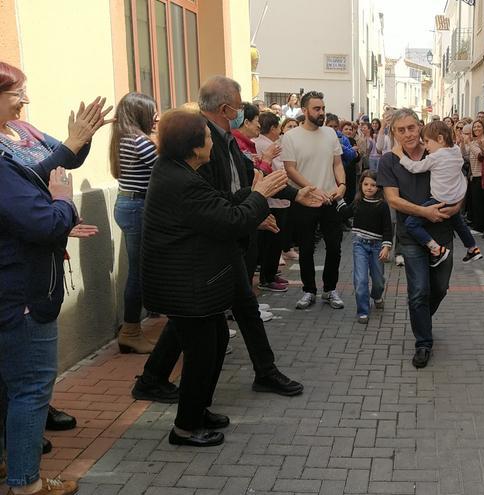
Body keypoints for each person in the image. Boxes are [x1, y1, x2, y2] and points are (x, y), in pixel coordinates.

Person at [133, 77, 307, 404]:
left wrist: (284, 196)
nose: (243, 113)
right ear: (225, 108)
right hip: (201, 259)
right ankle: (190, 411)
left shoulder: (220, 141)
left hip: (210, 253)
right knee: (204, 333)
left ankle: (163, 384)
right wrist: (255, 206)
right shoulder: (195, 146)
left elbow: (240, 189)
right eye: (240, 107)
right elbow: (220, 209)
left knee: (217, 317)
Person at [142, 108, 288, 448]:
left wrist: (255, 195)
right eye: (208, 139)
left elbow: (221, 205)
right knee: (202, 352)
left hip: (190, 281)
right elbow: (232, 220)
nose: (213, 143)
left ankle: (198, 410)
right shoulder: (181, 181)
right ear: (195, 147)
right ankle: (185, 427)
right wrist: (260, 194)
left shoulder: (180, 171)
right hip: (185, 285)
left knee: (216, 339)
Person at [0, 61, 112, 495]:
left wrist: (79, 140)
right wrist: (63, 205)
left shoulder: (20, 133)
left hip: (24, 278)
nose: (26, 100)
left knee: (13, 387)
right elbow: (38, 219)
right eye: (18, 92)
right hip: (20, 286)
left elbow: (60, 157)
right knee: (30, 389)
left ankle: (12, 465)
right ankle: (26, 484)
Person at [377, 108, 460, 369]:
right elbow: (392, 199)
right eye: (401, 130)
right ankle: (423, 342)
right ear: (394, 133)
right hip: (411, 235)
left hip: (443, 232)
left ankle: (421, 317)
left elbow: (459, 184)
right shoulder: (389, 160)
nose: (408, 134)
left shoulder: (437, 150)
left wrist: (456, 207)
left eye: (412, 128)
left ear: (420, 127)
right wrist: (423, 211)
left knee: (440, 288)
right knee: (419, 291)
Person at [282, 91, 348, 310]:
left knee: (334, 247)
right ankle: (309, 290)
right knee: (307, 249)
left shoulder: (330, 133)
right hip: (304, 201)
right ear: (304, 110)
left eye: (322, 108)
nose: (321, 112)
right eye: (316, 108)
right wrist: (311, 189)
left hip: (330, 200)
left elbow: (337, 163)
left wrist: (342, 185)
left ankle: (330, 290)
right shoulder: (291, 137)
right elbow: (290, 169)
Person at [393, 120, 482, 266]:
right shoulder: (455, 152)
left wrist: (400, 156)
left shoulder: (435, 157)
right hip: (454, 199)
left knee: (411, 224)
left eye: (427, 142)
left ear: (440, 139)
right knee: (458, 223)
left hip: (440, 200)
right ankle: (473, 248)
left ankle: (436, 249)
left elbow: (415, 167)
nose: (425, 146)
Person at [109, 92, 159, 354]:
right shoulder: (140, 141)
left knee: (140, 270)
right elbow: (164, 169)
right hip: (137, 207)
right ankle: (130, 331)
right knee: (138, 273)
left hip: (128, 205)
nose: (156, 118)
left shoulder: (123, 137)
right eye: (152, 112)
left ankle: (135, 327)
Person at [337, 170, 392, 324]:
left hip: (377, 246)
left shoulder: (382, 206)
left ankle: (377, 296)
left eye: (373, 185)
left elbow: (388, 228)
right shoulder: (357, 202)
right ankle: (363, 310)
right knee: (360, 279)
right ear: (361, 185)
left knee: (378, 280)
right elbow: (344, 213)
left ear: (379, 187)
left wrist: (386, 247)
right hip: (359, 244)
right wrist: (338, 199)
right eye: (366, 184)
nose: (369, 188)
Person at [251, 109, 295, 293]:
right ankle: (266, 278)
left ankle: (271, 273)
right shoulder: (261, 144)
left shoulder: (273, 143)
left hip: (279, 197)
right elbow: (268, 169)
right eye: (279, 126)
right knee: (271, 240)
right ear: (273, 127)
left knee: (276, 239)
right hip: (272, 199)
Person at [467, 119, 484, 234]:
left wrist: (470, 145)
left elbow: (481, 156)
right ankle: (478, 225)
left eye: (479, 126)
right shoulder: (473, 142)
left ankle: (480, 227)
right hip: (475, 175)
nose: (476, 128)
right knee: (476, 202)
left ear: (483, 128)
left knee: (480, 203)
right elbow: (467, 158)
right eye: (474, 127)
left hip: (482, 175)